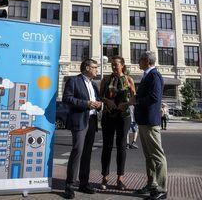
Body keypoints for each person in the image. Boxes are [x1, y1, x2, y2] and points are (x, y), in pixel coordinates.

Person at [62, 59, 103, 199]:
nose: (97, 69)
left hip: (91, 121)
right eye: (95, 67)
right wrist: (86, 104)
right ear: (87, 68)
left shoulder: (94, 84)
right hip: (79, 121)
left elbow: (98, 99)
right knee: (77, 151)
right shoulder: (74, 81)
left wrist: (99, 104)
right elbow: (67, 99)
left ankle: (84, 183)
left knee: (87, 153)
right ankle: (69, 185)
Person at [133, 51, 168, 200]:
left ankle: (161, 189)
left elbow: (154, 97)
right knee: (149, 156)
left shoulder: (154, 76)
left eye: (140, 59)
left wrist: (137, 101)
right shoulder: (147, 75)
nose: (138, 62)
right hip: (143, 120)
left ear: (147, 61)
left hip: (150, 121)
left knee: (157, 155)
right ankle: (151, 184)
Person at [99, 56, 136, 191]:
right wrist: (106, 101)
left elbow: (134, 97)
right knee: (107, 146)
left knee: (121, 147)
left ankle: (120, 178)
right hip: (108, 116)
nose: (114, 67)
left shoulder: (128, 79)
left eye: (116, 65)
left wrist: (127, 103)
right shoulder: (106, 79)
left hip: (123, 117)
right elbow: (100, 96)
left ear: (122, 66)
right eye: (112, 65)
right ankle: (105, 176)